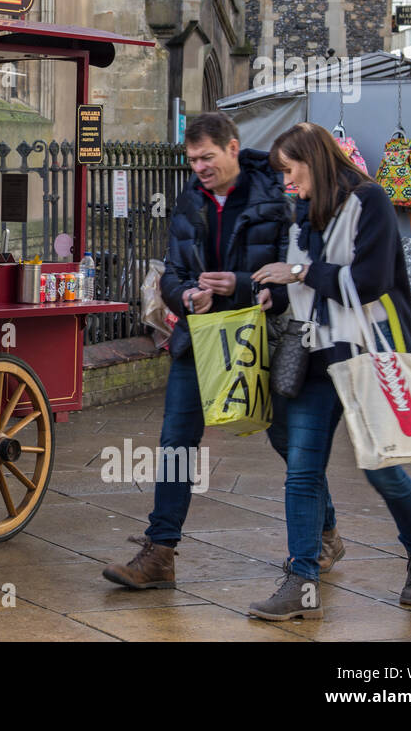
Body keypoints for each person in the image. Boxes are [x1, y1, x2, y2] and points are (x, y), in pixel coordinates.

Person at [103, 112, 303, 589]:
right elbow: (170, 273)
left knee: (288, 442)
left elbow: (296, 274)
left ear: (233, 148)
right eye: (192, 160)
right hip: (200, 335)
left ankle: (326, 531)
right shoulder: (190, 197)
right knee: (176, 442)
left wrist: (238, 283)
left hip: (257, 337)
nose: (199, 168)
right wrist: (188, 295)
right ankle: (160, 554)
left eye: (207, 158)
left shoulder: (276, 192)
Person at [249, 122, 411, 621]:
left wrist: (300, 273)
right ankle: (301, 579)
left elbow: (369, 280)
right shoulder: (302, 212)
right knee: (302, 470)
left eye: (291, 171)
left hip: (367, 355)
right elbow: (302, 281)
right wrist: (278, 293)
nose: (288, 182)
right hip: (313, 357)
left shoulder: (369, 201)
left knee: (383, 470)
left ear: (314, 159)